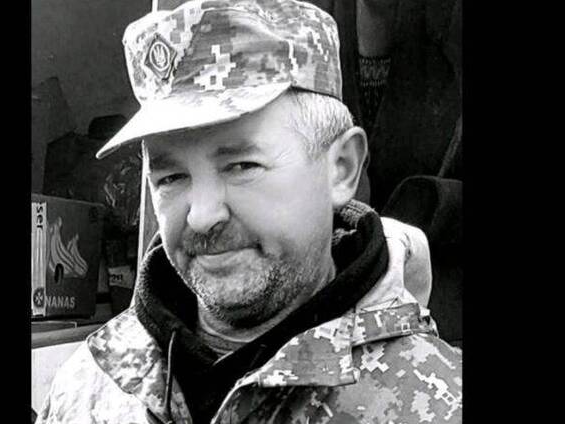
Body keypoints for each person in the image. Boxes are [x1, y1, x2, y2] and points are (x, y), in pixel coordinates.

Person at [36, 1, 462, 423]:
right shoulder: (88, 390)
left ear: (341, 168)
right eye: (171, 178)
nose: (202, 216)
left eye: (241, 166)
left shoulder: (437, 402)